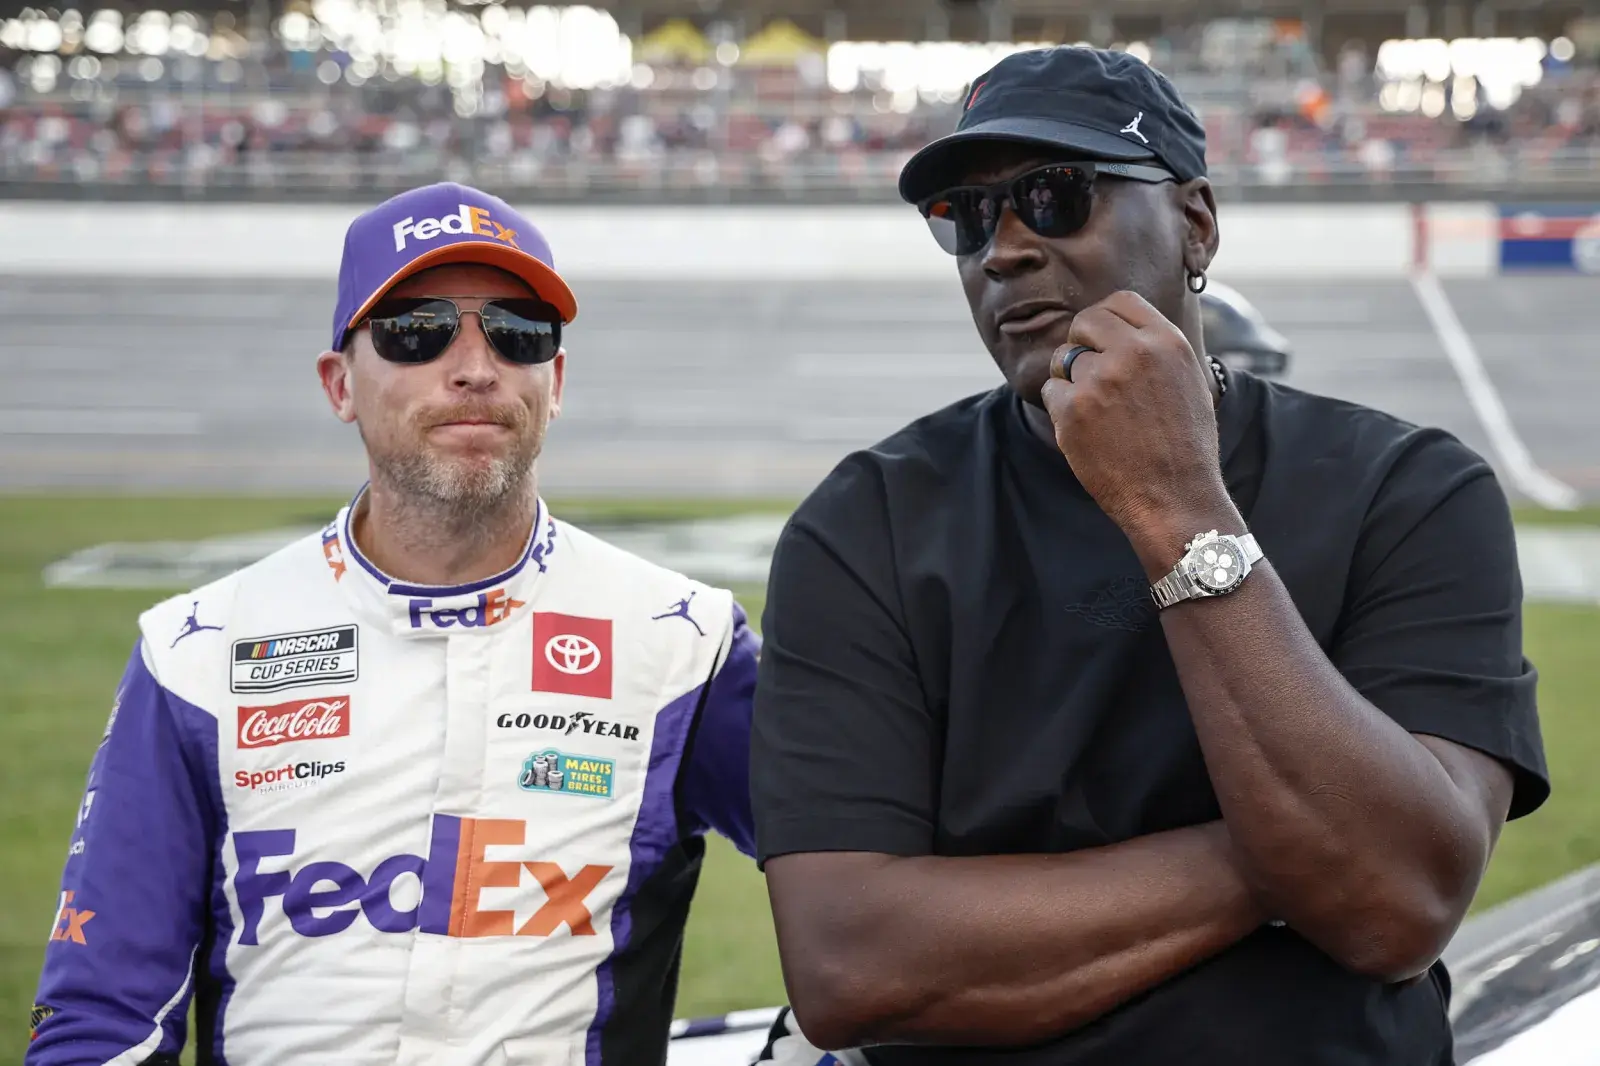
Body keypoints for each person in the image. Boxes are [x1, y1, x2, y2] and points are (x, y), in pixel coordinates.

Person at [749, 47, 1549, 1065]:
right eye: (968, 214)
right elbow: (847, 965)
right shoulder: (865, 524)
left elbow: (1396, 906)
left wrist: (1175, 507)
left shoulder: (1411, 492)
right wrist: (1295, 853)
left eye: (1053, 195)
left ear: (1195, 224)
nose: (1002, 249)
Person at [28, 182, 760, 1066]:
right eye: (417, 331)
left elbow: (877, 885)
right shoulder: (196, 652)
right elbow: (102, 1021)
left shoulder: (686, 645)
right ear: (340, 384)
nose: (475, 366)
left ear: (554, 380)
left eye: (518, 332)